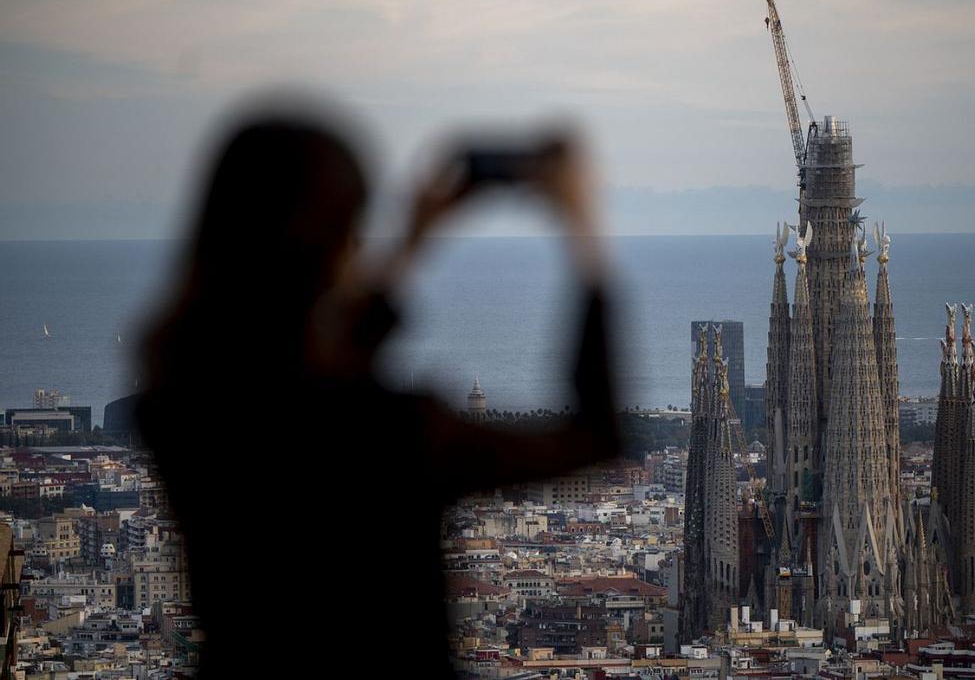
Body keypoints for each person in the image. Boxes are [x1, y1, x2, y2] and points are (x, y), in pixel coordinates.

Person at [136, 109, 620, 677]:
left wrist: (409, 247)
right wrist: (584, 236)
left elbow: (295, 382)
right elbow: (593, 437)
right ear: (340, 247)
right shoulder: (393, 431)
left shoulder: (177, 411)